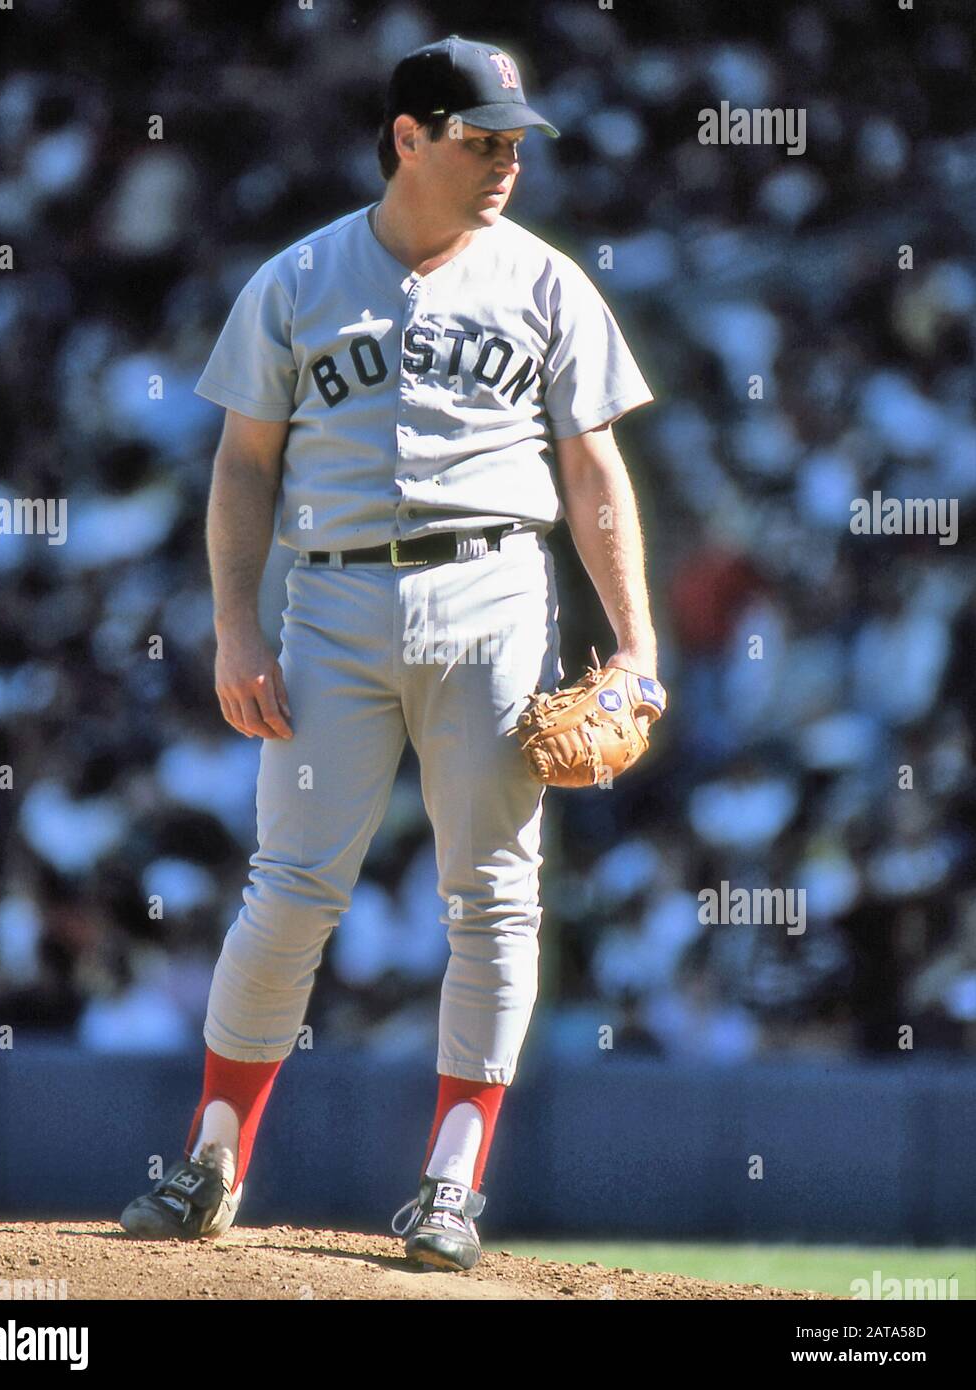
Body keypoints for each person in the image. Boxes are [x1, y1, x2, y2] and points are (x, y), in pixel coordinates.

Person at [121, 33, 659, 1273]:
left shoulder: (548, 282)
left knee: (495, 894)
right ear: (406, 136)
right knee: (290, 888)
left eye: (515, 140)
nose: (505, 161)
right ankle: (212, 1155)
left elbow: (592, 471)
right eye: (480, 138)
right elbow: (243, 464)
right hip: (333, 603)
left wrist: (632, 645)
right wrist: (239, 623)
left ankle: (451, 1183)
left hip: (495, 599)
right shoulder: (298, 279)